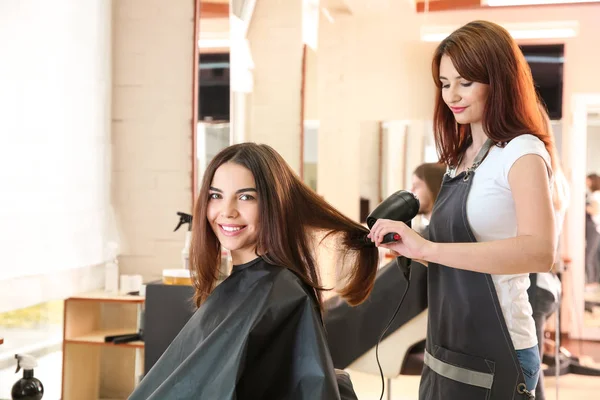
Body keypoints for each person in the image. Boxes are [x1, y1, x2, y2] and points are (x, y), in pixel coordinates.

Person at [368, 21, 557, 399]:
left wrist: (430, 249)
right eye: (444, 82)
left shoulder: (521, 152)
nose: (451, 94)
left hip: (500, 345)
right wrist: (413, 248)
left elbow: (540, 251)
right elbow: (457, 258)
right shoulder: (458, 160)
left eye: (466, 82)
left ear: (498, 81)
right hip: (446, 343)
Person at [130, 143, 380, 400]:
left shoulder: (282, 295)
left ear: (273, 204)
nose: (227, 212)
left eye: (245, 197)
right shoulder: (251, 285)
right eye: (216, 196)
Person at [324, 162, 446, 369]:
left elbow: (390, 294)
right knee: (334, 308)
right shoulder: (428, 233)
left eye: (417, 186)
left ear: (434, 186)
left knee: (329, 322)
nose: (412, 192)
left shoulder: (434, 239)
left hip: (408, 330)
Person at [528, 105, 570, 400]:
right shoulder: (555, 176)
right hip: (545, 286)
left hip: (535, 286)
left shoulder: (538, 176)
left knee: (528, 377)